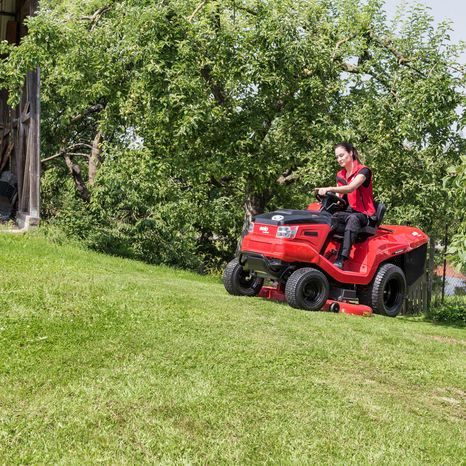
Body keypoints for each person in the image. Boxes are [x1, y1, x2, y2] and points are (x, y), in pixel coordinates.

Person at [315, 142, 376, 269]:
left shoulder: (364, 171)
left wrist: (328, 188)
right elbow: (338, 198)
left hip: (363, 214)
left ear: (351, 153)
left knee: (352, 219)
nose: (339, 159)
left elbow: (350, 188)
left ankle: (341, 259)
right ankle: (317, 254)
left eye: (341, 155)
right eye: (337, 157)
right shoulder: (340, 175)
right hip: (346, 212)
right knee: (326, 217)